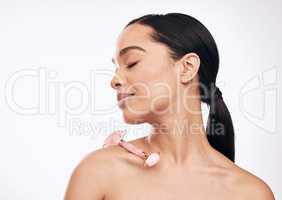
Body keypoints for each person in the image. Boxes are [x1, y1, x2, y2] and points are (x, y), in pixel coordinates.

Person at [64, 13, 275, 199]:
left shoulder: (252, 193)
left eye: (131, 62)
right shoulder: (98, 172)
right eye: (116, 67)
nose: (114, 80)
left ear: (187, 67)